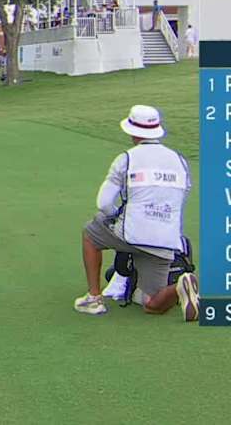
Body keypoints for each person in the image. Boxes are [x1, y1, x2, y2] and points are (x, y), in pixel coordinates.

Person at [74, 104, 199, 320]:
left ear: (133, 132)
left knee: (90, 233)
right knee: (153, 304)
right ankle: (180, 285)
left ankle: (94, 298)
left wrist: (115, 217)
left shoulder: (127, 158)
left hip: (132, 233)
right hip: (166, 240)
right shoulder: (180, 161)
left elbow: (103, 203)